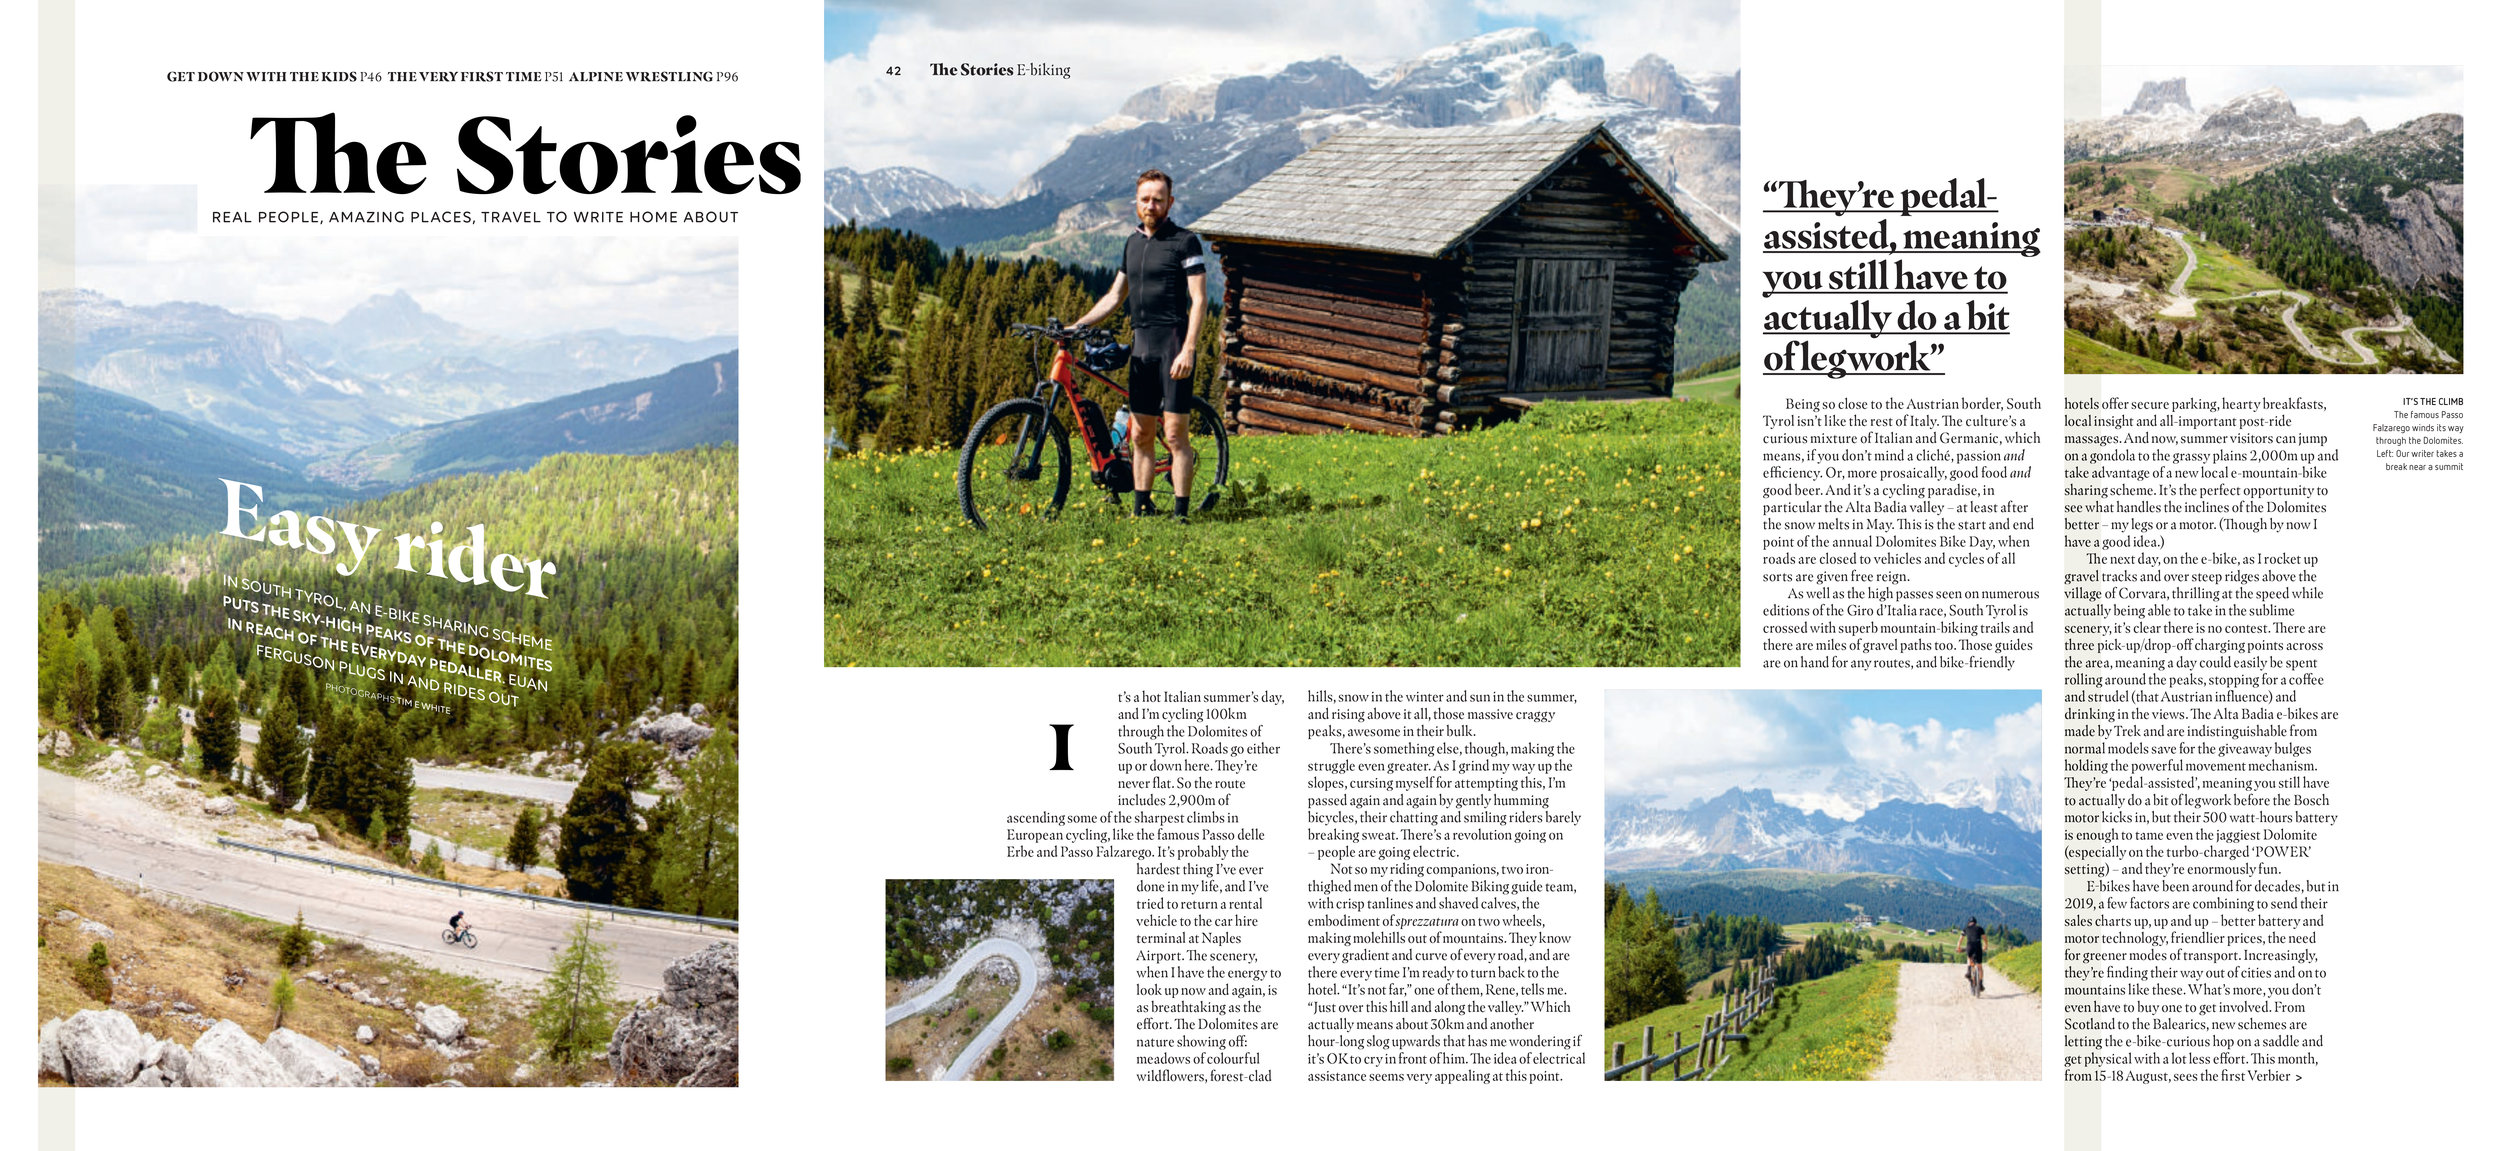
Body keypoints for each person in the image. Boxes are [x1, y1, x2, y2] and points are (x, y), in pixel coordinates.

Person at [1072, 168, 1209, 521]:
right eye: (1145, 199)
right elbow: (1115, 296)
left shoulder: (1185, 241)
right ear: (1137, 202)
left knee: (1176, 436)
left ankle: (1181, 513)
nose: (1151, 205)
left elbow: (1199, 299)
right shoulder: (1132, 243)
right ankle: (1142, 506)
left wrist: (1189, 348)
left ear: (1170, 203)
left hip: (1173, 345)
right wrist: (1079, 325)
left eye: (1158, 200)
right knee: (1141, 435)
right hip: (1142, 349)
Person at [1963, 916, 1986, 991]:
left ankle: (1969, 971)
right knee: (1979, 966)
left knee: (1969, 958)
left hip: (1970, 947)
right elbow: (1985, 938)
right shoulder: (1980, 928)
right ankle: (1980, 983)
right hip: (1978, 947)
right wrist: (1986, 946)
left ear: (1969, 923)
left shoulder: (1966, 929)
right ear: (1975, 923)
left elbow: (1960, 939)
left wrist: (1958, 947)